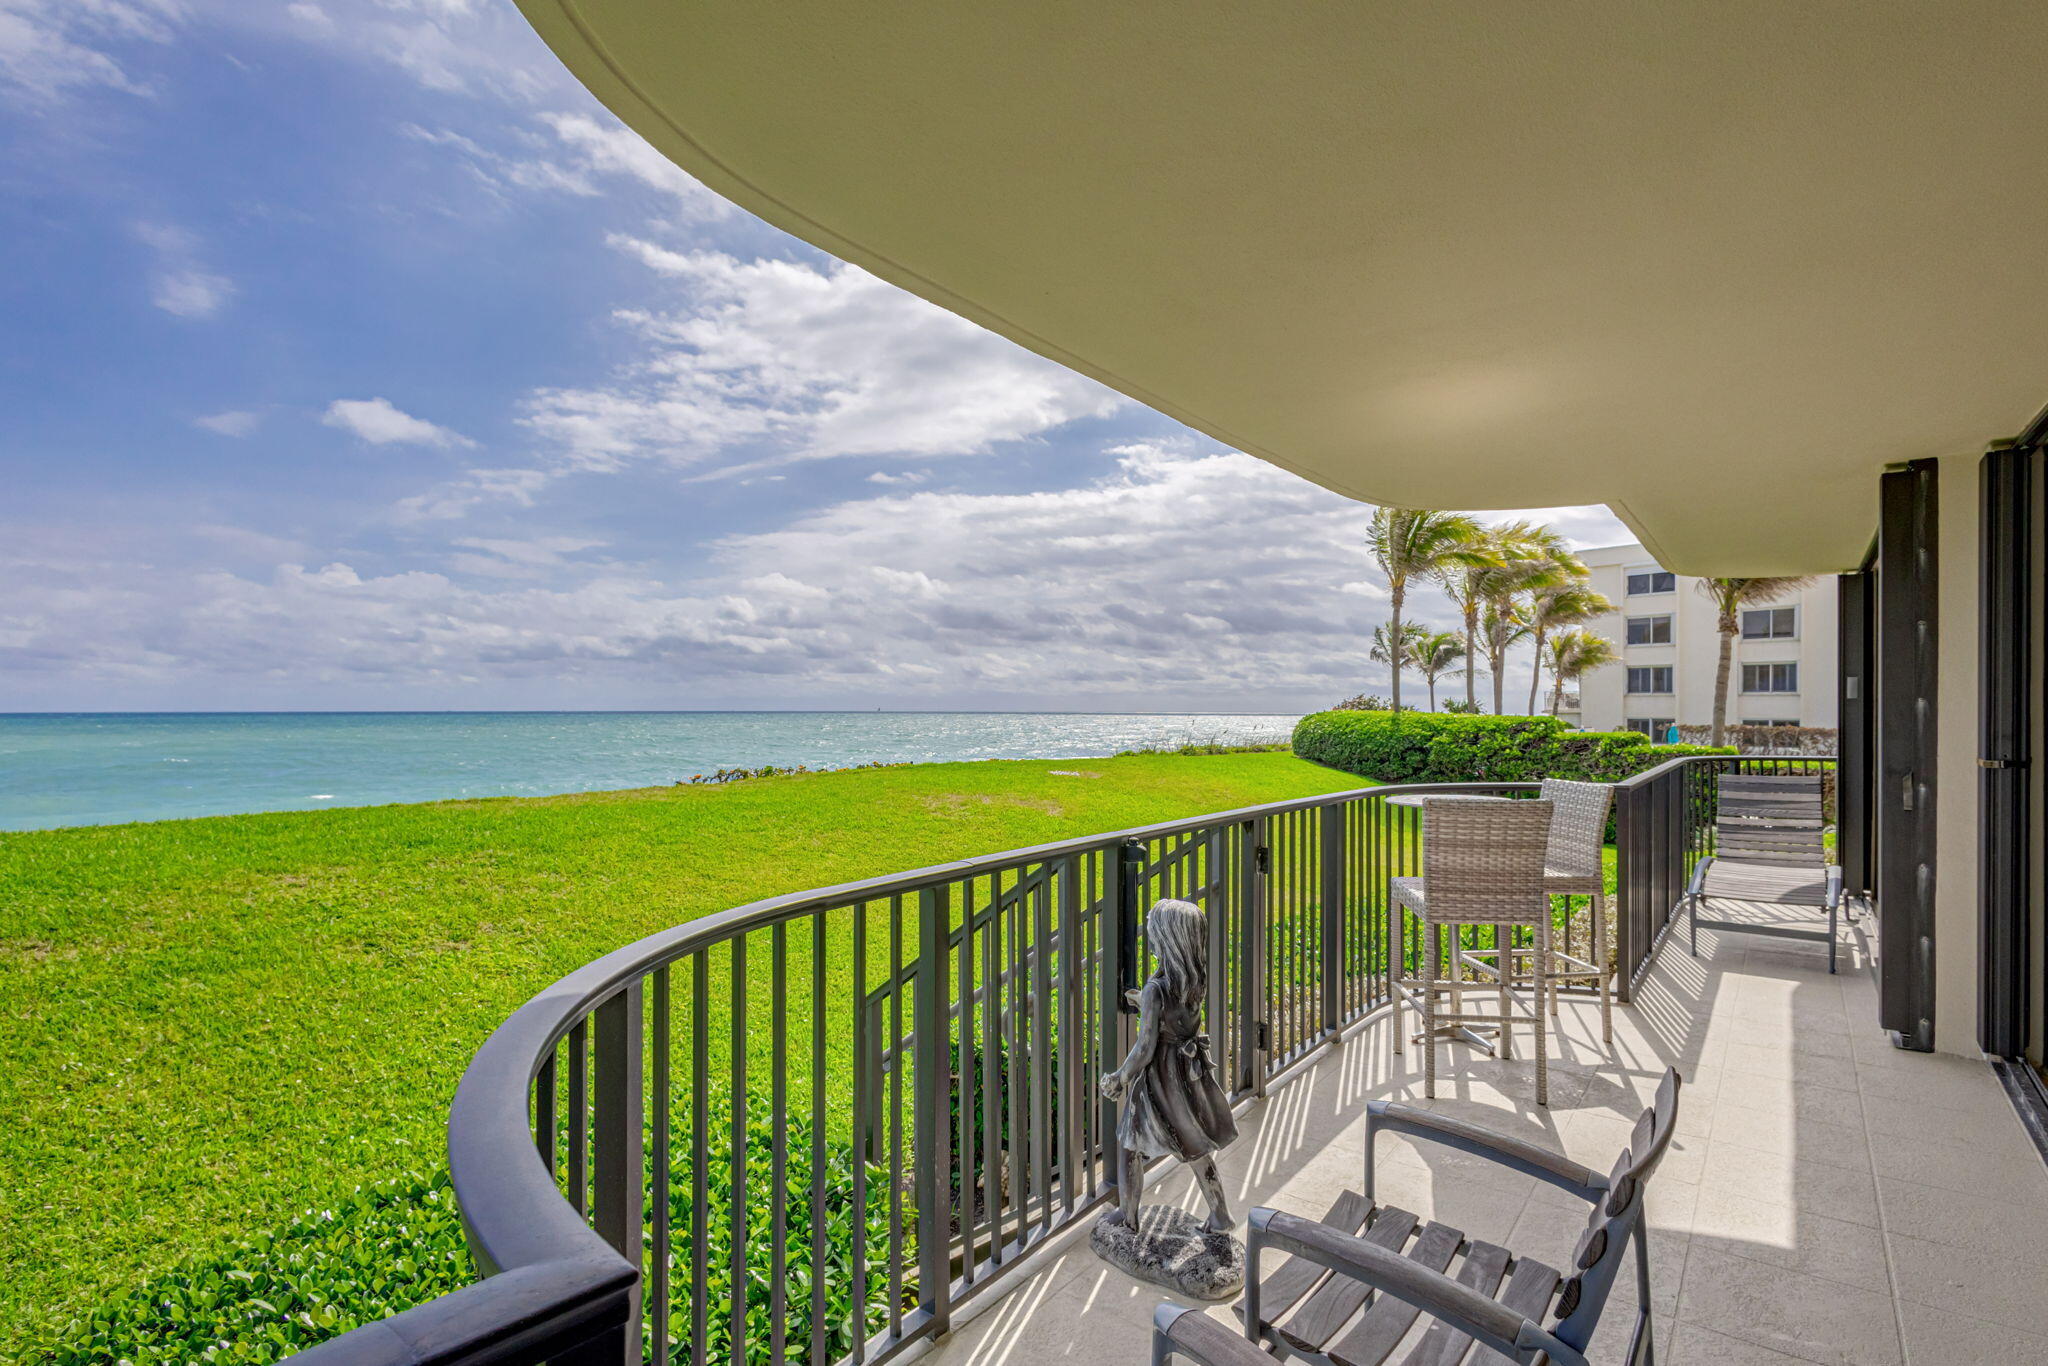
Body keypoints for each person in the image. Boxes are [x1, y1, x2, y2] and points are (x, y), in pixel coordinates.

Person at [1098, 898, 1238, 1231]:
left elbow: (1146, 1047)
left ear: (1166, 939)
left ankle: (1128, 1217)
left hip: (1159, 1078)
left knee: (1129, 1143)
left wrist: (1121, 1077)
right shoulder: (1192, 981)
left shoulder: (1155, 990)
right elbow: (1173, 1020)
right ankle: (1220, 1214)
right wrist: (1142, 1002)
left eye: (1153, 930)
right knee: (1195, 1143)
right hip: (1187, 1074)